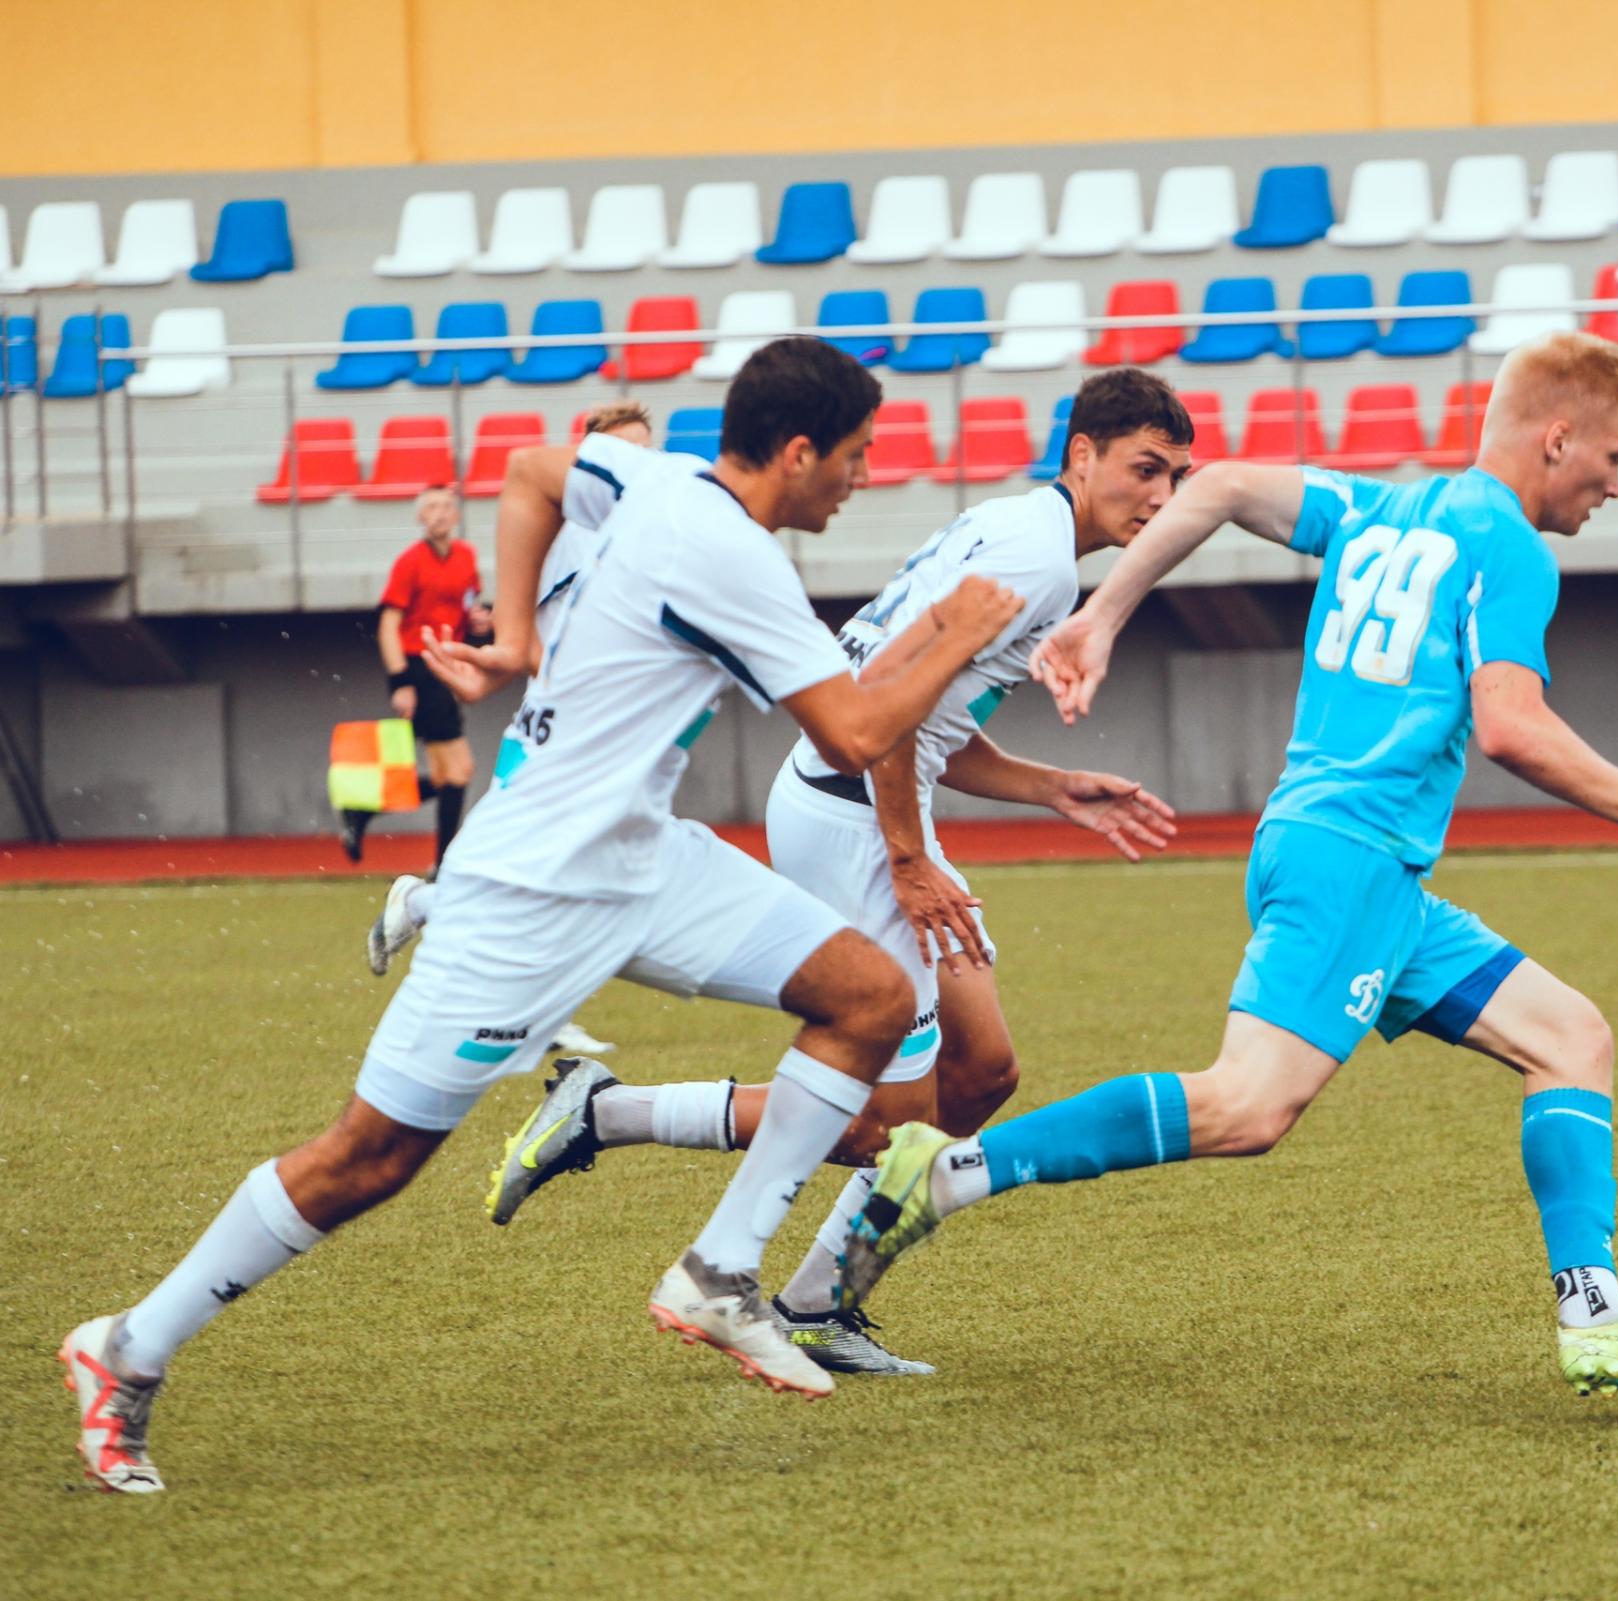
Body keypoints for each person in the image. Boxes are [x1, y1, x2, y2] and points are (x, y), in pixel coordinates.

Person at [57, 338, 1025, 1493]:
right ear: (801, 450)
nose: (864, 477)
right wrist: (958, 631)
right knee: (368, 1157)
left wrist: (516, 636)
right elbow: (857, 735)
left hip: (644, 860)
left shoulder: (653, 476)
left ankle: (720, 1270)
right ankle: (127, 1347)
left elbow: (527, 472)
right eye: (857, 455)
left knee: (871, 993)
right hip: (533, 892)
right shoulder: (732, 556)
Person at [835, 332, 1618, 1404]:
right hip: (1350, 861)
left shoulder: (1382, 507)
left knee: (1571, 1036)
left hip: (1360, 868)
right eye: (1614, 456)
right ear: (1558, 439)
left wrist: (1103, 614)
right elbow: (1511, 725)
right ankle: (950, 1168)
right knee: (1245, 1107)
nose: (1616, 483)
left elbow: (1223, 485)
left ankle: (1596, 1315)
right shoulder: (1509, 547)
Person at [479, 370, 1192, 1376]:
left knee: (982, 1071)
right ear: (1083, 455)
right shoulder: (1037, 560)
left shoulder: (1022, 532)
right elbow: (883, 696)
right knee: (882, 1122)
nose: (1162, 497)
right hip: (854, 815)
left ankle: (819, 1299)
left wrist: (1050, 787)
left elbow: (925, 721)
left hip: (863, 802)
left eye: (1178, 478)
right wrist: (906, 858)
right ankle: (605, 1114)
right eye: (1145, 469)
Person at [367, 401, 657, 1059]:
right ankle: (437, 923)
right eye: (623, 452)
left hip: (594, 735)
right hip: (562, 732)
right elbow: (528, 642)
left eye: (647, 452)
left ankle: (439, 919)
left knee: (559, 877)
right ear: (588, 462)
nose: (638, 466)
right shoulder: (572, 535)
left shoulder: (632, 534)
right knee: (553, 876)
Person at [341, 484, 484, 868]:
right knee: (459, 771)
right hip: (420, 667)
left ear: (457, 515)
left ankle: (362, 810)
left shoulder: (467, 556)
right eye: (432, 507)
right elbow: (389, 626)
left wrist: (478, 620)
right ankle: (443, 865)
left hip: (446, 666)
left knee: (446, 777)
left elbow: (468, 607)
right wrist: (401, 682)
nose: (440, 513)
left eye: (447, 506)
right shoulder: (410, 562)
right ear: (420, 517)